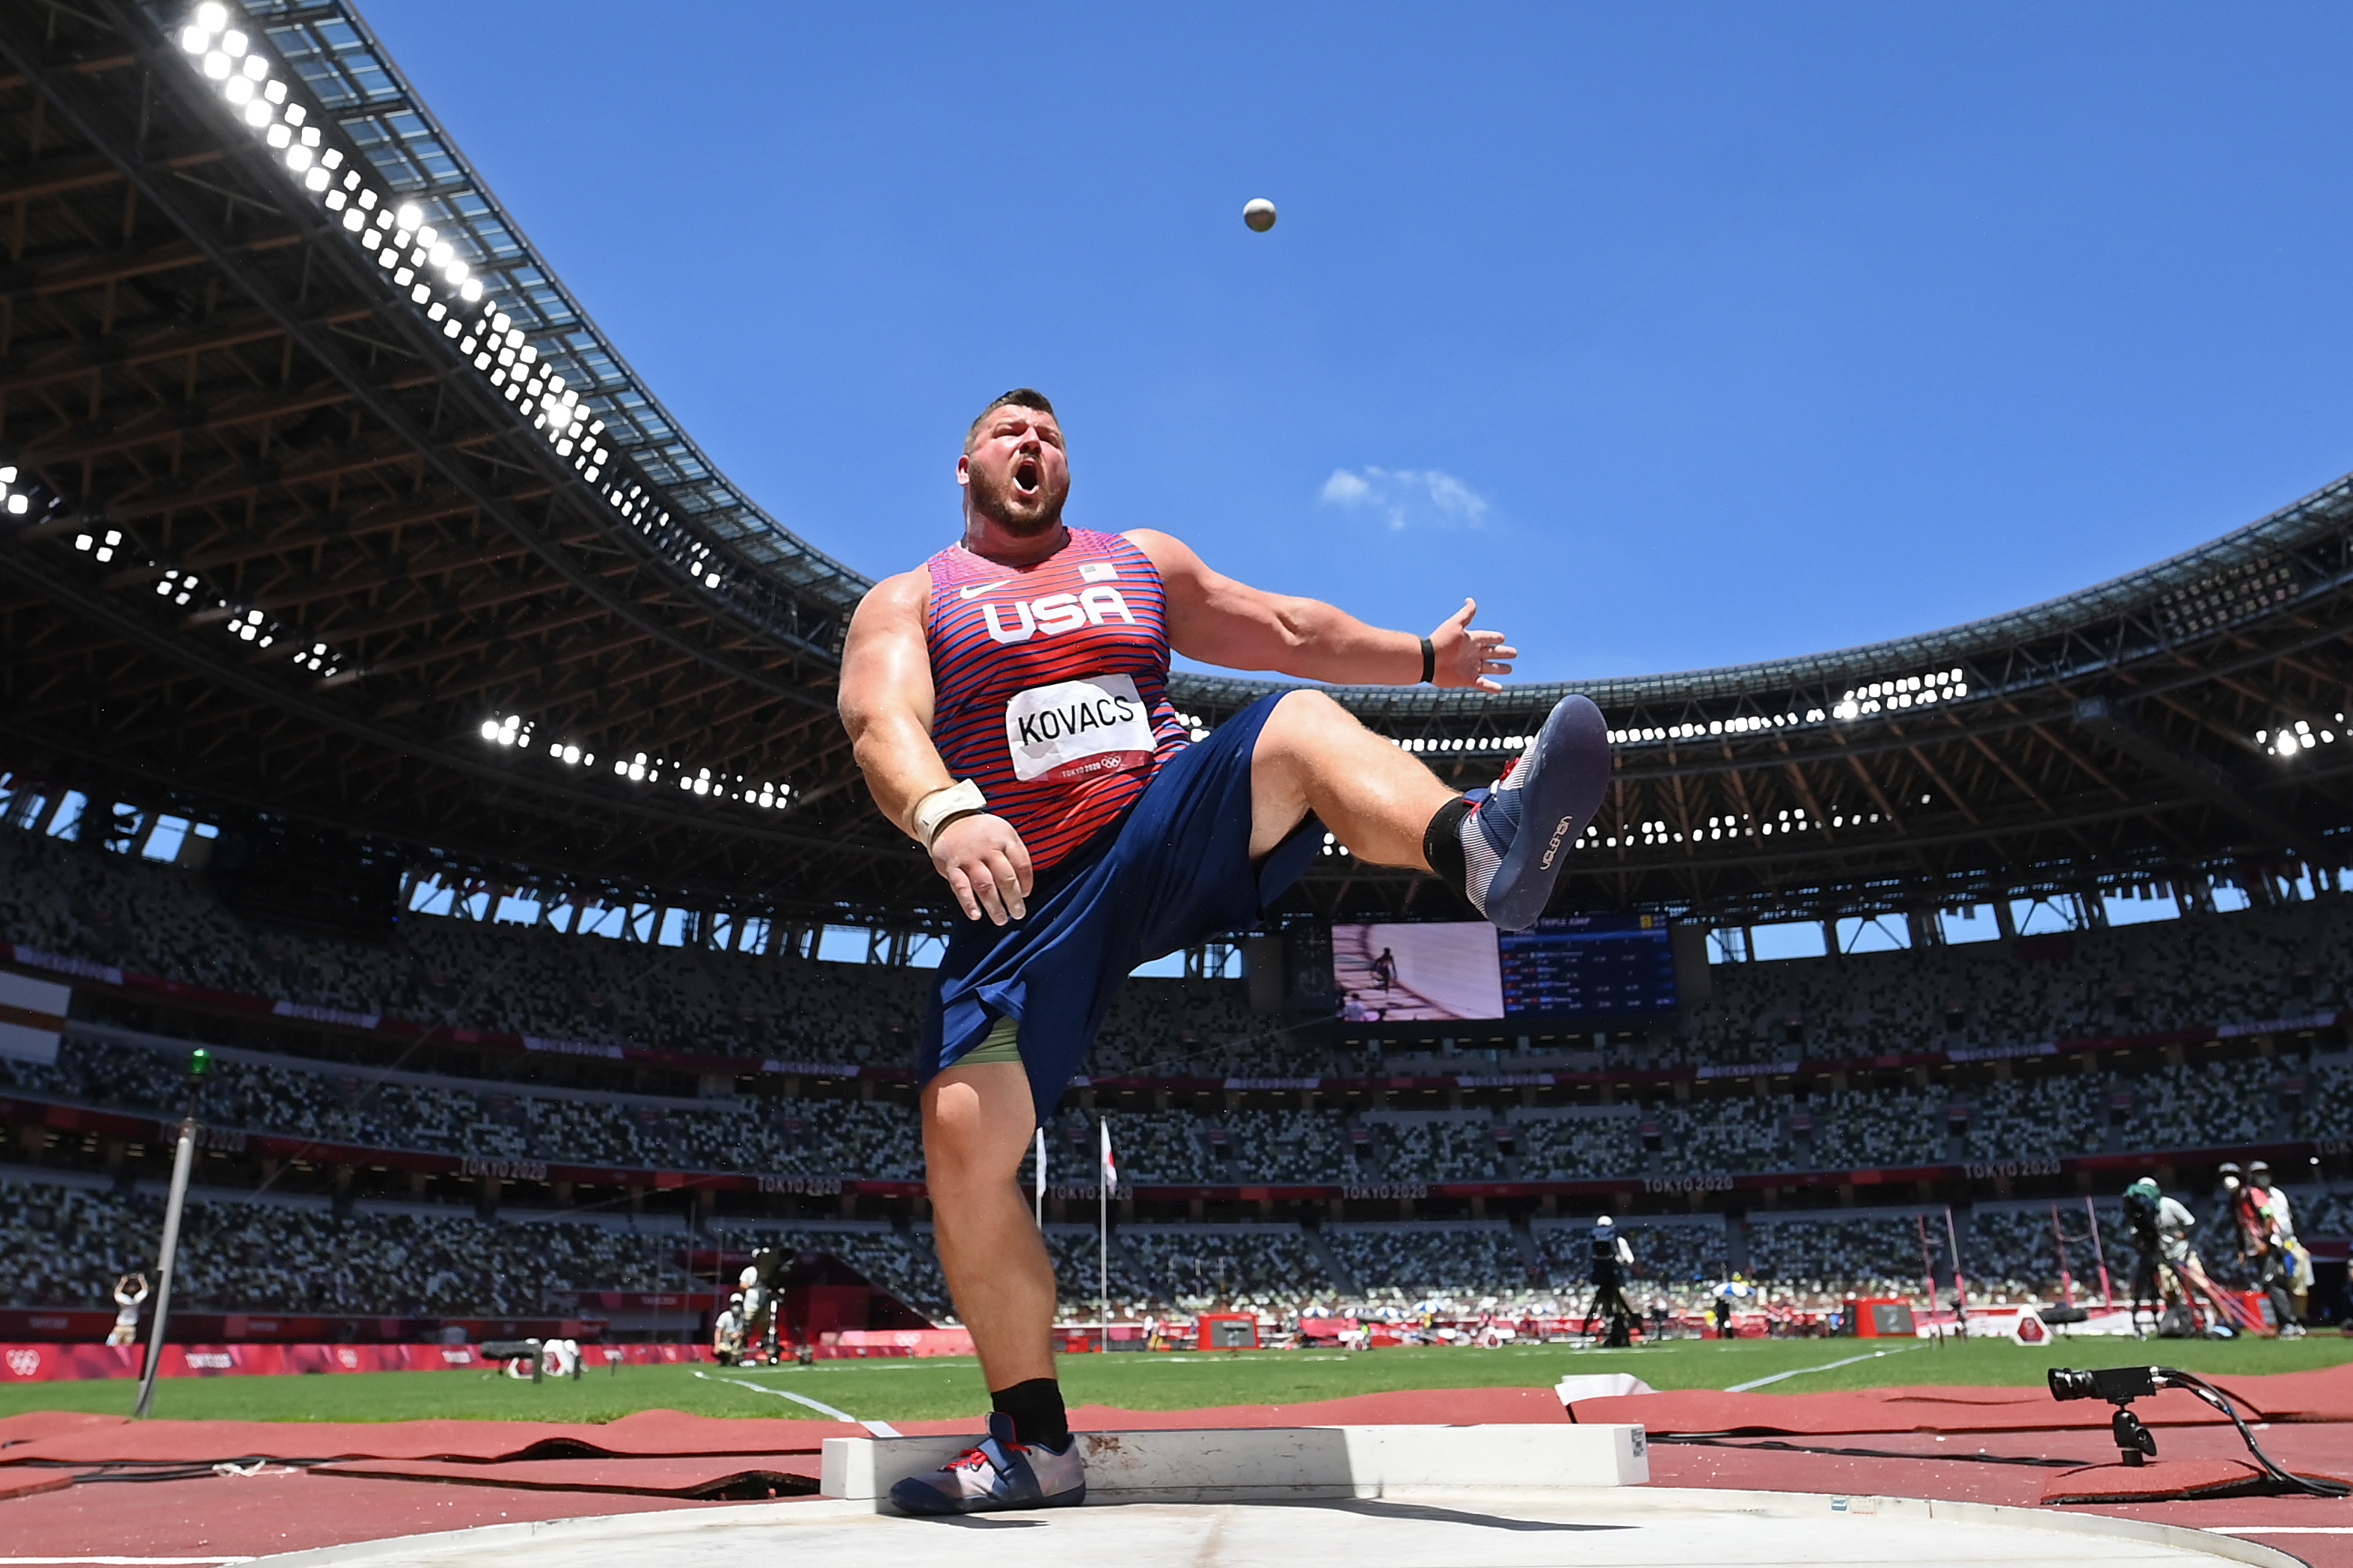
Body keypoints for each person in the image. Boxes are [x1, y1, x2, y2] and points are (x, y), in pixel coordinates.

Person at [838, 389, 1613, 1516]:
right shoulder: (913, 597)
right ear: (962, 467)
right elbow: (882, 723)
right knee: (962, 1141)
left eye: (1051, 436)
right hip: (1023, 893)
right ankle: (1036, 1443)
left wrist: (1423, 660)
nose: (1034, 445)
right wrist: (943, 812)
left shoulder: (1134, 561)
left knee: (1293, 721)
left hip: (1160, 828)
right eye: (1009, 432)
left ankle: (1478, 846)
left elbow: (1284, 628)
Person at [106, 1273, 147, 1347]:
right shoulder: (137, 1301)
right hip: (130, 1328)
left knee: (110, 1344)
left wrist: (122, 1282)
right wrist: (142, 1280)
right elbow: (145, 1291)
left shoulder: (123, 1300)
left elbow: (117, 1293)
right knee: (127, 1347)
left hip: (121, 1327)